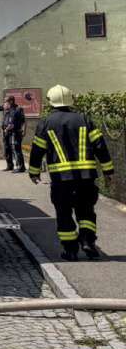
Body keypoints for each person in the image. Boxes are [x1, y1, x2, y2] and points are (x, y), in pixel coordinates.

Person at [28, 85, 114, 260]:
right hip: (86, 178)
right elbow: (100, 146)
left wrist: (34, 172)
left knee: (64, 214)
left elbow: (37, 150)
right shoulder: (84, 119)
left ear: (50, 102)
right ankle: (88, 242)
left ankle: (70, 251)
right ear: (71, 100)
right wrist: (108, 171)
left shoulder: (46, 123)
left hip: (61, 180)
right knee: (86, 212)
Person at [0, 95, 25, 172]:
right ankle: (10, 166)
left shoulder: (16, 110)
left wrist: (6, 129)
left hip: (14, 133)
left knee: (16, 149)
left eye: (5, 101)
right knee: (7, 149)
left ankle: (20, 167)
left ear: (11, 101)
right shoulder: (8, 110)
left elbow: (13, 124)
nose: (4, 103)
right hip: (8, 133)